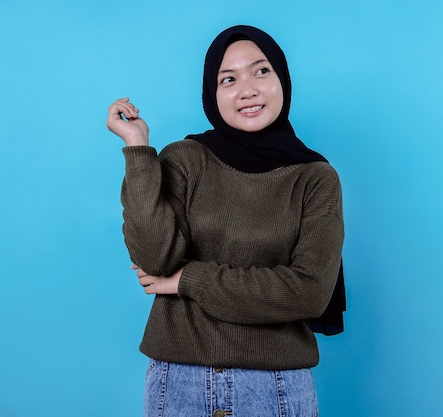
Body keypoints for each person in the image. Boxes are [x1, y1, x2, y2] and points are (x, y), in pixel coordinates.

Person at [107, 24, 344, 417]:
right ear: (212, 93)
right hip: (178, 383)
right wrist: (138, 148)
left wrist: (186, 280)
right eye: (228, 79)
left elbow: (309, 292)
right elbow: (155, 259)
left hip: (276, 389)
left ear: (282, 79)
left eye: (261, 71)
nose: (247, 89)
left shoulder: (315, 177)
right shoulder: (185, 158)